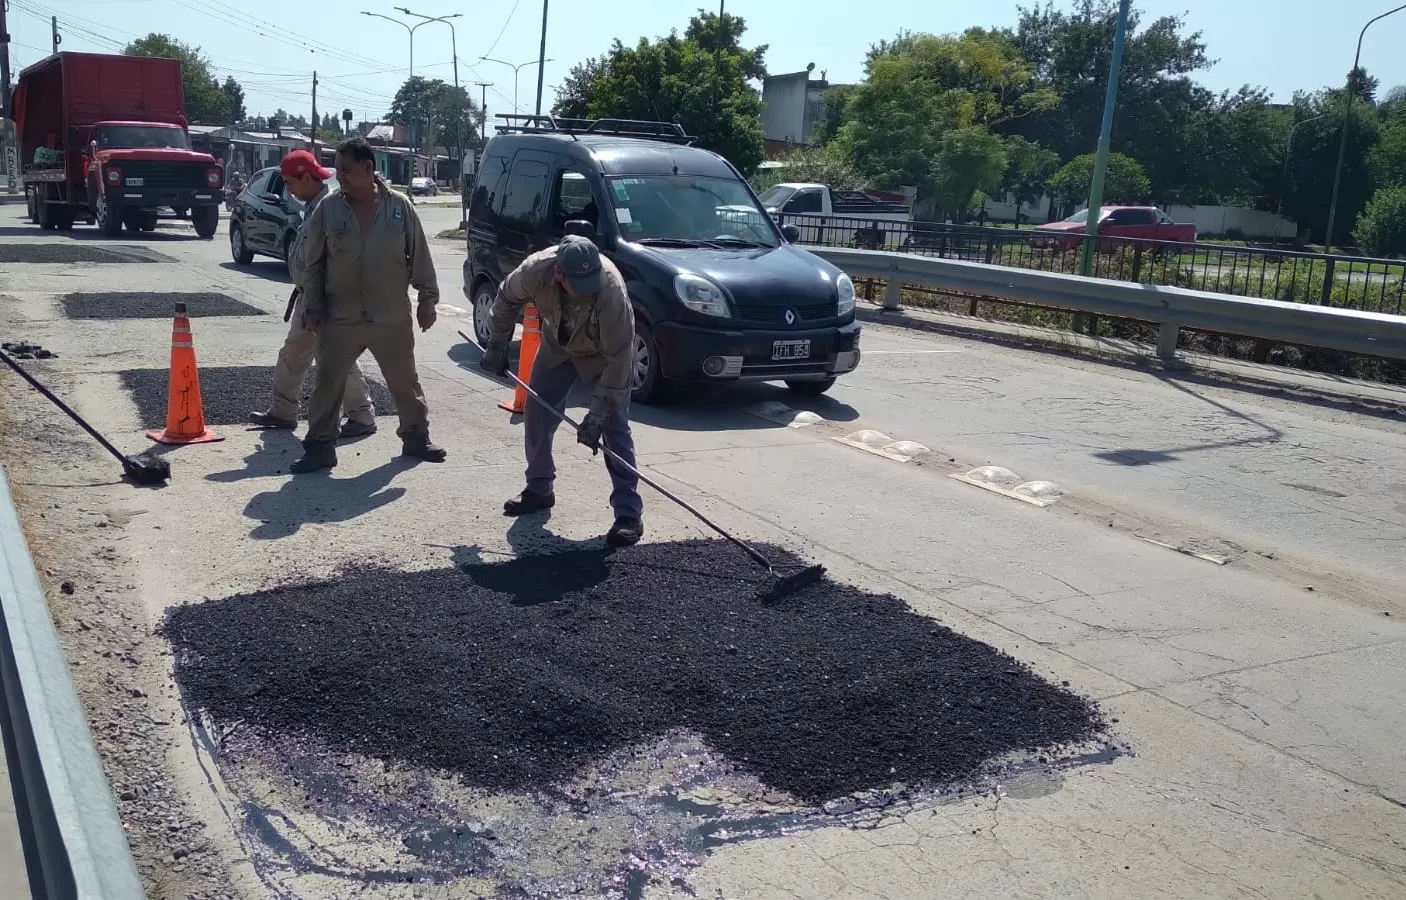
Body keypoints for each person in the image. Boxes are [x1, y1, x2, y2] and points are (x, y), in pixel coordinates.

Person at [290, 136, 446, 473]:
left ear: (368, 169)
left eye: (346, 170)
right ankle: (319, 447)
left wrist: (427, 300)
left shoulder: (399, 207)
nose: (339, 176)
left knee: (405, 381)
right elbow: (313, 263)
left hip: (390, 317)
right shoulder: (328, 209)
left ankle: (416, 437)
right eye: (337, 169)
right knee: (328, 384)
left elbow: (419, 255)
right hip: (339, 317)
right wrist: (313, 305)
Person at [480, 235, 643, 547]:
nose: (586, 291)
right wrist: (498, 342)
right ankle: (539, 488)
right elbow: (505, 298)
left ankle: (628, 514)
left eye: (590, 283)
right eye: (578, 284)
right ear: (559, 274)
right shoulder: (535, 270)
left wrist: (596, 416)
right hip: (558, 345)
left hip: (602, 355)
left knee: (615, 427)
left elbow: (620, 361)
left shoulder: (611, 292)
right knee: (537, 412)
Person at [249, 149, 377, 438]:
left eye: (291, 183)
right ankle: (283, 412)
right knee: (294, 353)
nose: (290, 191)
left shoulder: (332, 208)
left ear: (306, 177)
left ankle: (362, 416)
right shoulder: (314, 205)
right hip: (307, 297)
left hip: (326, 299)